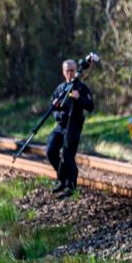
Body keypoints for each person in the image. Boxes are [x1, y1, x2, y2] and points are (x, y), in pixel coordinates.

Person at [46, 58, 93, 197]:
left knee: (67, 155)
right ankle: (63, 180)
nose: (70, 73)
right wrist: (57, 112)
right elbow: (52, 108)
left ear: (76, 71)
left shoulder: (81, 87)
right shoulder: (60, 89)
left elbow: (90, 106)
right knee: (51, 151)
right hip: (60, 126)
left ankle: (71, 186)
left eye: (72, 70)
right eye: (67, 71)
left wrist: (79, 98)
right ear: (63, 72)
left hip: (74, 126)